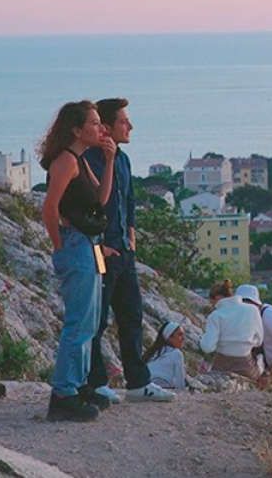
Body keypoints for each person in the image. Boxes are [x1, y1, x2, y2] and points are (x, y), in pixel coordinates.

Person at [83, 98, 174, 403]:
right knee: (98, 319)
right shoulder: (91, 159)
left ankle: (138, 382)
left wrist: (131, 237)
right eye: (124, 121)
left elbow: (129, 201)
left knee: (132, 316)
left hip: (124, 250)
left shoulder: (122, 159)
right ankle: (95, 383)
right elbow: (95, 203)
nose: (130, 126)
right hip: (102, 250)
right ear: (106, 127)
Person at [39, 100, 116, 422]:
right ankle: (63, 393)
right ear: (76, 129)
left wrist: (109, 160)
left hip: (89, 244)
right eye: (95, 123)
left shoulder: (81, 161)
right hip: (76, 245)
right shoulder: (65, 162)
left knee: (91, 319)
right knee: (79, 321)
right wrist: (60, 246)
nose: (101, 128)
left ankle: (79, 385)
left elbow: (101, 199)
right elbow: (49, 208)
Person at [199, 280, 263, 380]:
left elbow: (208, 347)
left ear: (217, 298)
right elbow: (259, 341)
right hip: (246, 364)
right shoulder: (252, 310)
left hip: (223, 364)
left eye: (211, 301)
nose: (212, 305)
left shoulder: (216, 315)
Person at [143, 321, 186, 390]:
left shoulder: (151, 353)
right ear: (169, 337)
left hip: (144, 387)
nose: (183, 338)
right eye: (180, 335)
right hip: (162, 388)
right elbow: (180, 383)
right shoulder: (176, 353)